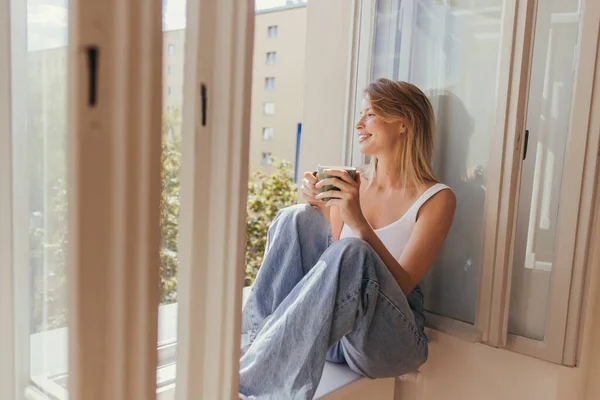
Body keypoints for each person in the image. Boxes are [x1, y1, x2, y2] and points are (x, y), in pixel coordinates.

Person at [239, 78, 456, 400]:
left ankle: (251, 387)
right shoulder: (354, 181)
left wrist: (359, 221)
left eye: (370, 115)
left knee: (354, 250)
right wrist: (319, 203)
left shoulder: (436, 198)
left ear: (403, 123)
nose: (359, 124)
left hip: (388, 342)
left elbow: (402, 285)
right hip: (335, 335)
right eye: (361, 114)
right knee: (296, 217)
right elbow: (330, 269)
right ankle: (255, 345)